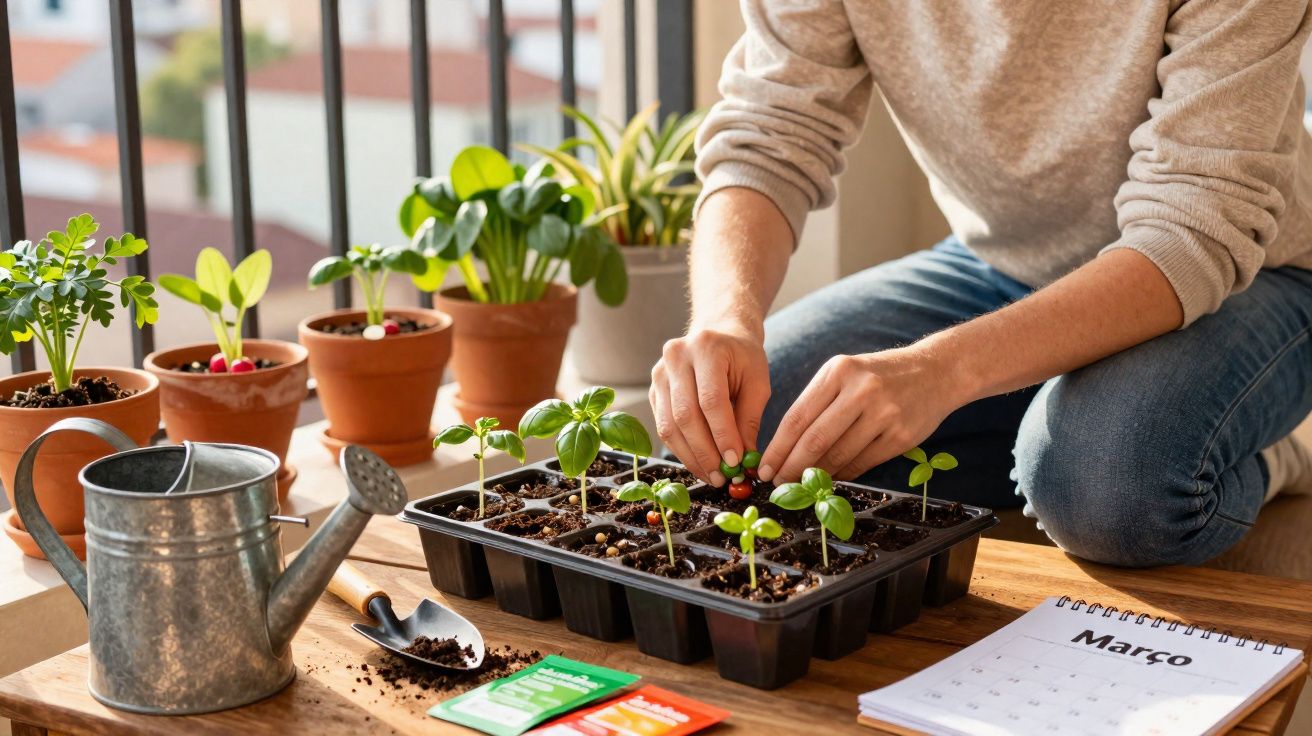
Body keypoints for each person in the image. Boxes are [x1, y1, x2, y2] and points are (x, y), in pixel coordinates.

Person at [650, 0, 1312, 568]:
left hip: (1247, 276)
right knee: (744, 439)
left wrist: (944, 371)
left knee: (1105, 486)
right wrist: (725, 317)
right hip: (998, 268)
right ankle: (1058, 429)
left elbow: (1196, 227)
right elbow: (769, 132)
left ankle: (1270, 445)